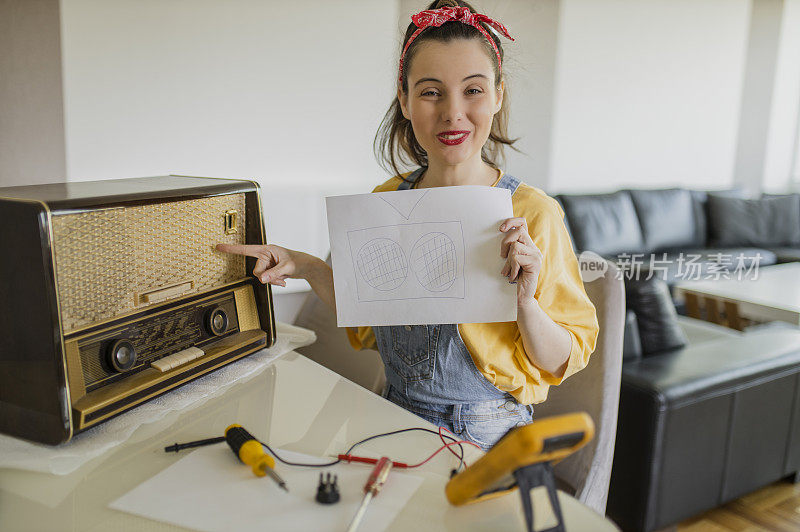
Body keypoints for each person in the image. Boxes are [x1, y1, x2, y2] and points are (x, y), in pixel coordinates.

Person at [217, 0, 599, 450]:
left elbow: (559, 360)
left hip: (486, 430)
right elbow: (368, 311)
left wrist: (525, 302)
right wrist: (302, 264)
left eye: (473, 90)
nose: (453, 112)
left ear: (498, 94)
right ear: (404, 99)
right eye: (431, 91)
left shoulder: (533, 213)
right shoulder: (386, 200)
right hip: (390, 412)